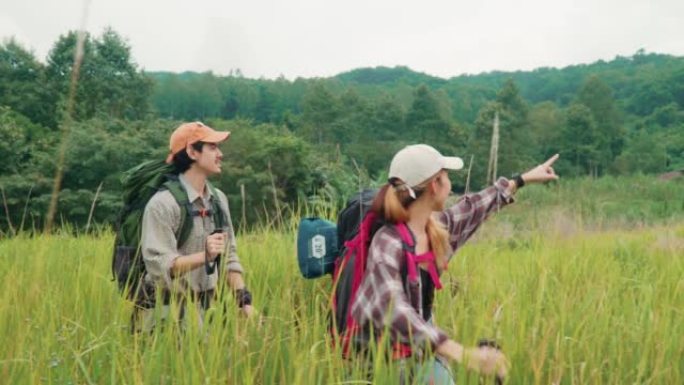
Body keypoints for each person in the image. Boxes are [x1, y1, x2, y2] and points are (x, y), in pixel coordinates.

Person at [350, 144, 559, 384]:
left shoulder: (434, 229)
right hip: (381, 353)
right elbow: (391, 307)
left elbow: (474, 207)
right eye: (447, 176)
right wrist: (461, 353)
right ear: (435, 185)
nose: (450, 183)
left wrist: (522, 180)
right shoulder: (387, 242)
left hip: (422, 340)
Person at [138, 121, 254, 331]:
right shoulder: (162, 204)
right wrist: (206, 256)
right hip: (167, 314)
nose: (220, 154)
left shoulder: (218, 200)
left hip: (210, 312)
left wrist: (244, 302)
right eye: (212, 147)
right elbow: (159, 266)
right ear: (192, 151)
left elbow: (229, 257)